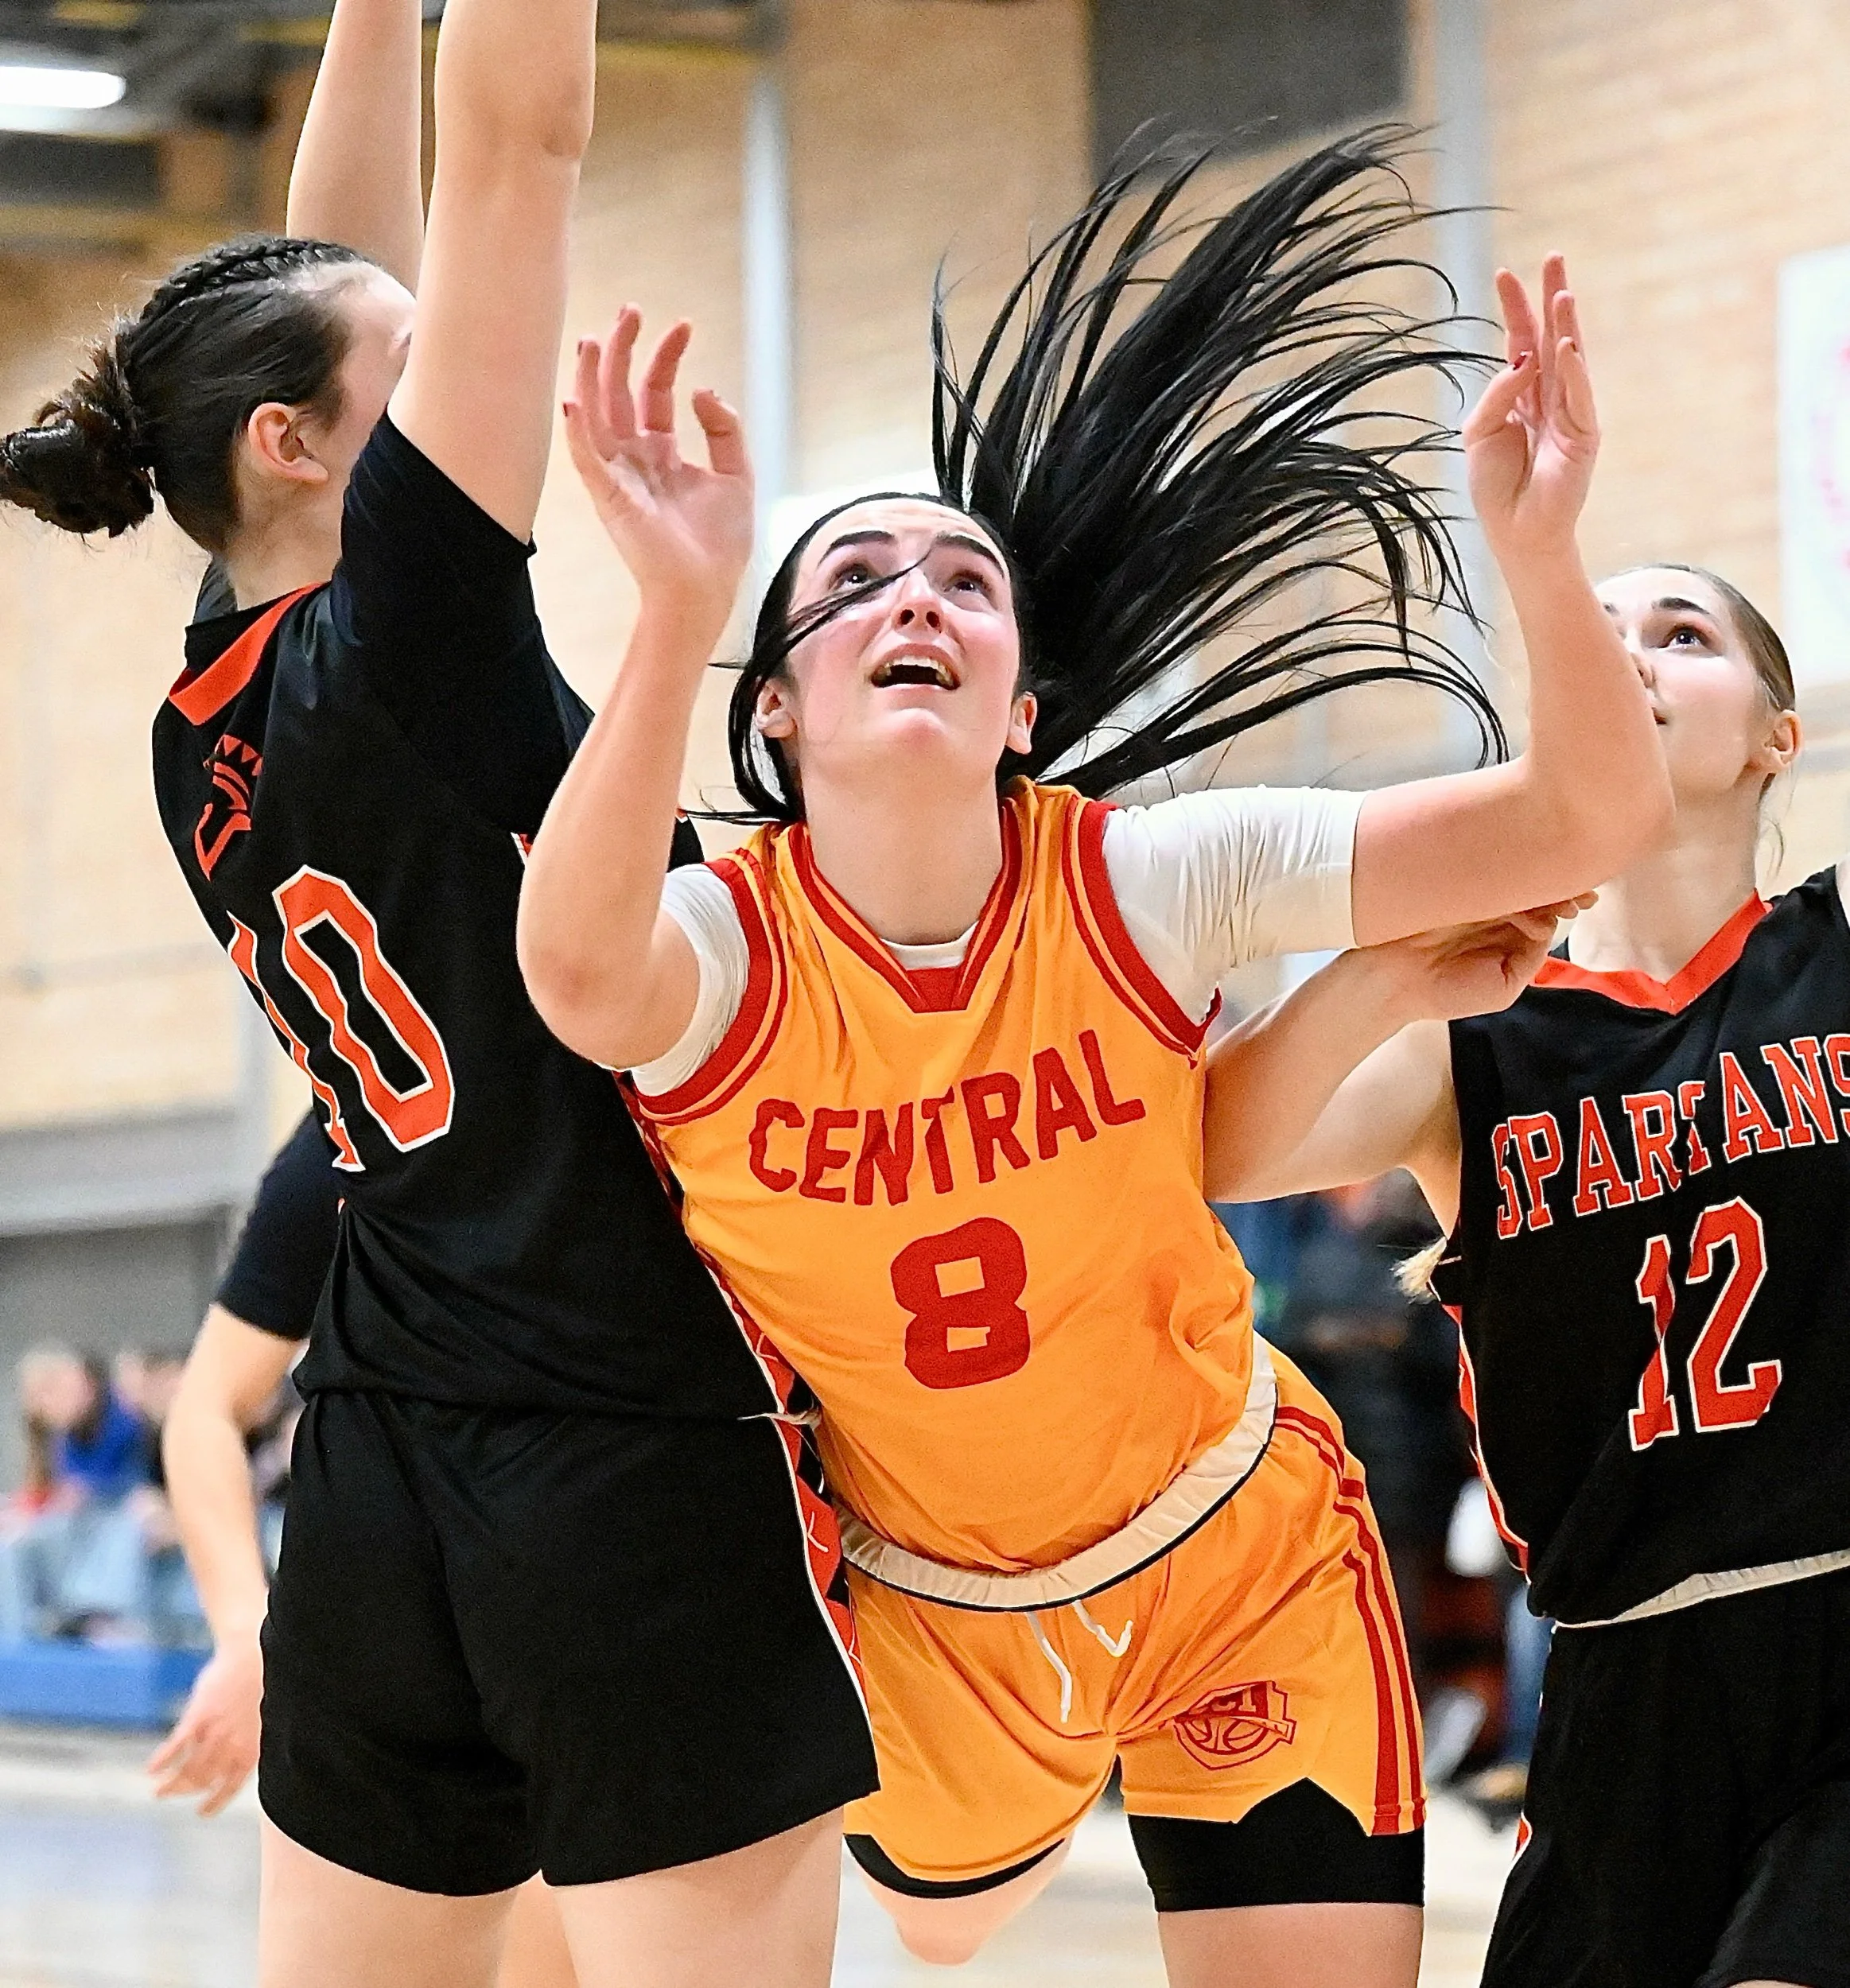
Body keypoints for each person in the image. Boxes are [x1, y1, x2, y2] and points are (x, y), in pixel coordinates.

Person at [517, 128, 1670, 1985]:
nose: (915, 598)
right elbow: (569, 971)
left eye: (964, 584)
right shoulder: (722, 945)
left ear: (1019, 708)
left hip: (1235, 1551)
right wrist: (666, 607)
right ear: (779, 711)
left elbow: (1576, 813)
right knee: (942, 1929)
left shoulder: (1140, 872)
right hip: (925, 1607)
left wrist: (1534, 554)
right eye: (856, 584)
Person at [0, 0, 876, 1979]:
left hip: (382, 1442)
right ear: (299, 450)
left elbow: (340, 277)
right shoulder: (403, 627)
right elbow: (517, 157)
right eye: (410, 368)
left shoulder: (193, 721)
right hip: (623, 1415)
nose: (455, 358)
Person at [1202, 563, 1850, 1987]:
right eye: (1591, 636)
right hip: (1624, 1679)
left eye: (1680, 637)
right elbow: (1214, 1149)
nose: (1626, 656)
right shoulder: (1475, 1036)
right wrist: (1385, 971)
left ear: (1772, 739)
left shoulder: (1833, 956)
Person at [150, 1109, 577, 1988]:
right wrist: (241, 1634)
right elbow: (203, 1409)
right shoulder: (365, 1119)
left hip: (597, 1601)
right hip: (400, 1603)